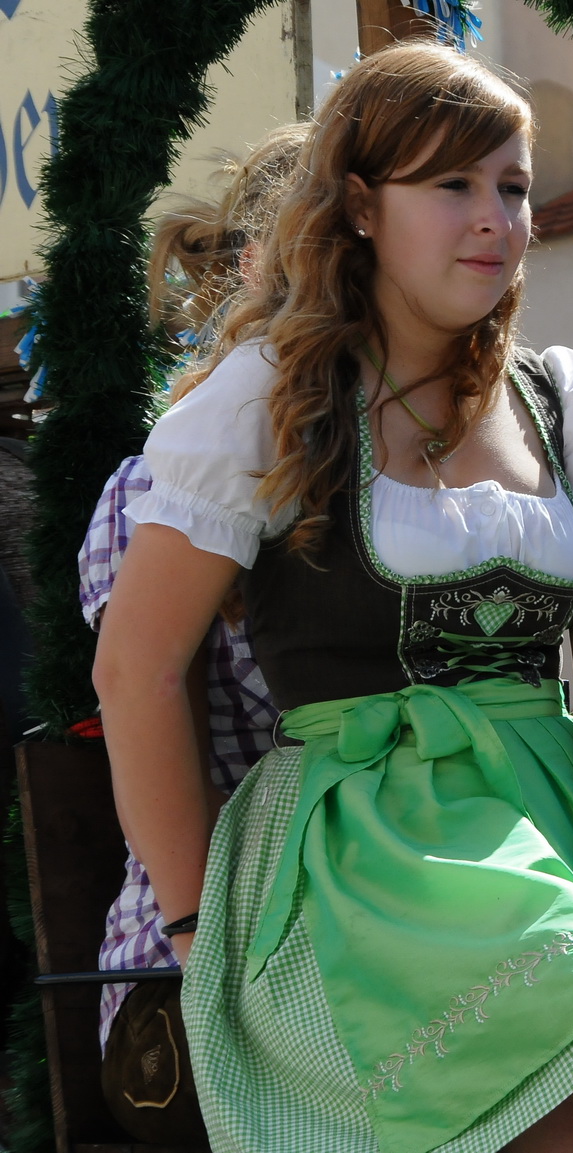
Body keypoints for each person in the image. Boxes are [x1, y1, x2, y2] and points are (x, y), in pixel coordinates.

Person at [92, 43, 573, 1153]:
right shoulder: (265, 399)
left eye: (513, 186)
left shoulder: (558, 395)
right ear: (358, 206)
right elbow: (134, 669)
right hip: (370, 846)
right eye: (451, 185)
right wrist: (200, 919)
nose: (493, 217)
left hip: (560, 810)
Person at [80, 121, 306, 1142]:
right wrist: (200, 935)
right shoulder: (160, 485)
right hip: (205, 962)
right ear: (262, 265)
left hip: (384, 927)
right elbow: (136, 685)